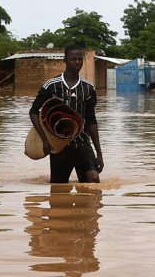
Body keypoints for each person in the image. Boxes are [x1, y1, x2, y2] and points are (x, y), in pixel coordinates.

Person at [29, 44, 103, 183]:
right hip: (59, 148)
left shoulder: (88, 88)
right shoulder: (51, 85)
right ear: (65, 60)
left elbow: (91, 120)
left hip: (82, 144)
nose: (77, 62)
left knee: (94, 178)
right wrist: (44, 139)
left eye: (80, 59)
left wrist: (99, 153)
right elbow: (33, 112)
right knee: (58, 189)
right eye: (73, 59)